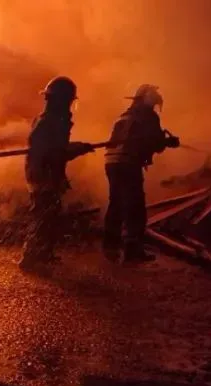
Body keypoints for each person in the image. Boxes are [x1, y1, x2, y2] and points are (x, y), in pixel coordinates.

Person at [18, 76, 95, 270]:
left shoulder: (50, 120)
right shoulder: (50, 122)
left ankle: (43, 254)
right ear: (62, 100)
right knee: (43, 216)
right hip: (43, 174)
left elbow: (56, 149)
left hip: (44, 172)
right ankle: (31, 258)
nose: (69, 106)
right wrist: (76, 149)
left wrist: (76, 147)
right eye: (68, 101)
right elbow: (54, 152)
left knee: (49, 215)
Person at [102, 84, 180, 263]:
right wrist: (169, 142)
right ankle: (133, 250)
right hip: (128, 162)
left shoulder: (124, 115)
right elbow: (156, 144)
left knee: (116, 203)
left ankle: (110, 246)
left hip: (111, 163)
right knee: (135, 205)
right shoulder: (149, 116)